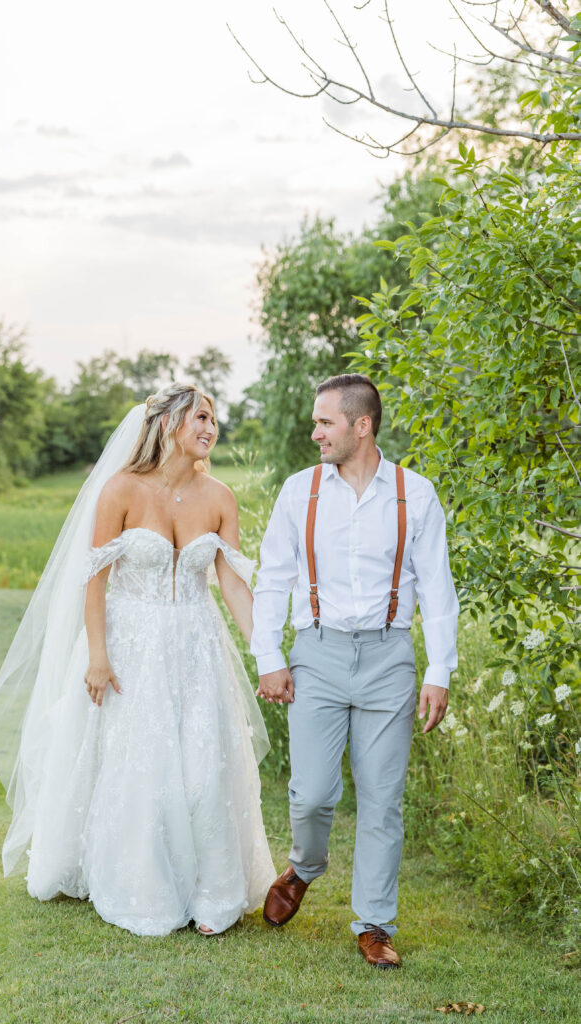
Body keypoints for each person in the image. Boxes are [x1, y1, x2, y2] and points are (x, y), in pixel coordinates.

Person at [0, 383, 274, 937]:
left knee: (202, 762)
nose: (210, 429)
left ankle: (210, 893)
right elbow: (93, 581)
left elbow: (234, 586)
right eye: (201, 417)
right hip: (129, 642)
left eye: (214, 419)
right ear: (168, 424)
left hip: (196, 644)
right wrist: (97, 654)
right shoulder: (120, 490)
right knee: (140, 763)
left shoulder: (220, 497)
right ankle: (144, 884)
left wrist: (268, 657)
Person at [251, 373, 458, 968]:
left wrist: (438, 670)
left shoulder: (415, 495)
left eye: (324, 422)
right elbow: (272, 580)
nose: (314, 432)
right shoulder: (300, 492)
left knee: (382, 799)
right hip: (316, 651)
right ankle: (306, 866)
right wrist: (270, 659)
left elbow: (439, 591)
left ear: (361, 426)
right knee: (313, 793)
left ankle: (374, 924)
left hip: (390, 657)